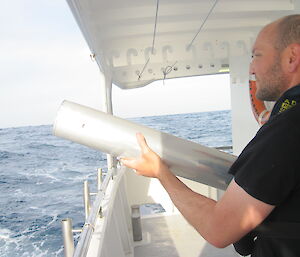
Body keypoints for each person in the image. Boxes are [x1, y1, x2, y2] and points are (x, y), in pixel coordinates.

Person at [121, 14, 300, 257]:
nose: (252, 67)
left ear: (292, 58)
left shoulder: (287, 129)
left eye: (257, 55)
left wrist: (160, 171)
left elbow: (219, 230)